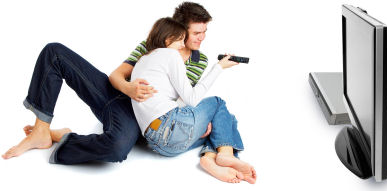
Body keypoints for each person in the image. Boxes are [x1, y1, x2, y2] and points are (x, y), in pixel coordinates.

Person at [1, 2, 211, 164]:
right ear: (178, 31)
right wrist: (129, 88)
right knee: (54, 52)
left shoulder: (199, 60)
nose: (201, 38)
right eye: (196, 33)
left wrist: (196, 119)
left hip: (138, 117)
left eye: (204, 32)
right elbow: (116, 75)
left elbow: (184, 97)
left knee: (117, 150)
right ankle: (40, 130)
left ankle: (64, 138)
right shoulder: (152, 46)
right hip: (114, 94)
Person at [131, 17, 257, 184]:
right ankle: (225, 154)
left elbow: (173, 102)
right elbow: (191, 99)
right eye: (180, 41)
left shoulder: (143, 60)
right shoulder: (169, 54)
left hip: (159, 145)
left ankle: (209, 159)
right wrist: (219, 67)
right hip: (170, 124)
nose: (183, 46)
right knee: (218, 103)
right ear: (168, 39)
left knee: (223, 123)